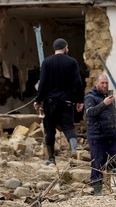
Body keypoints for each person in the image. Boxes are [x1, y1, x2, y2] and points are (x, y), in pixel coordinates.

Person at [34, 38, 84, 166]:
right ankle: (73, 148)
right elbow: (78, 83)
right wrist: (79, 100)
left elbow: (43, 83)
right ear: (65, 47)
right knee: (68, 126)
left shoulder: (46, 62)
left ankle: (51, 158)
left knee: (49, 129)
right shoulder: (72, 62)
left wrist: (38, 100)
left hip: (50, 103)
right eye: (68, 48)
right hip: (66, 102)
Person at [83, 73, 116, 195]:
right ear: (96, 84)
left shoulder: (109, 97)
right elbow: (89, 112)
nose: (105, 85)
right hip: (97, 136)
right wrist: (103, 104)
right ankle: (97, 192)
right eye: (102, 83)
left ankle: (107, 172)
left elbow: (114, 115)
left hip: (112, 135)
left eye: (106, 83)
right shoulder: (90, 97)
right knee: (97, 164)